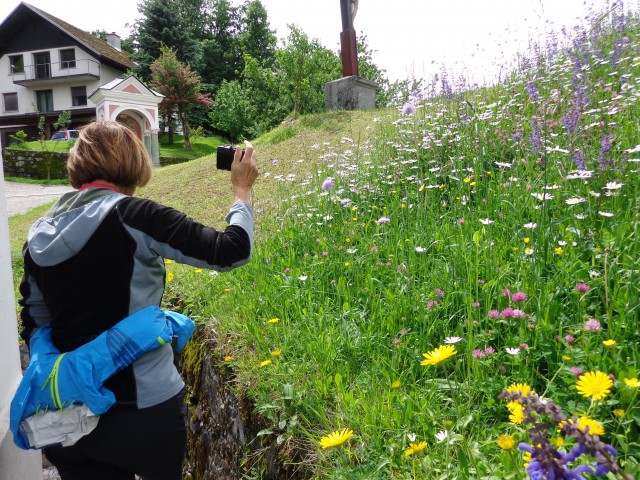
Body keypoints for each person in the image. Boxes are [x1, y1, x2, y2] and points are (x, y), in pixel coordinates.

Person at [18, 120, 258, 480]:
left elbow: (35, 321)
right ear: (133, 162)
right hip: (146, 411)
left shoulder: (38, 234)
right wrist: (242, 190)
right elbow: (231, 251)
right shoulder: (137, 216)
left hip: (67, 417)